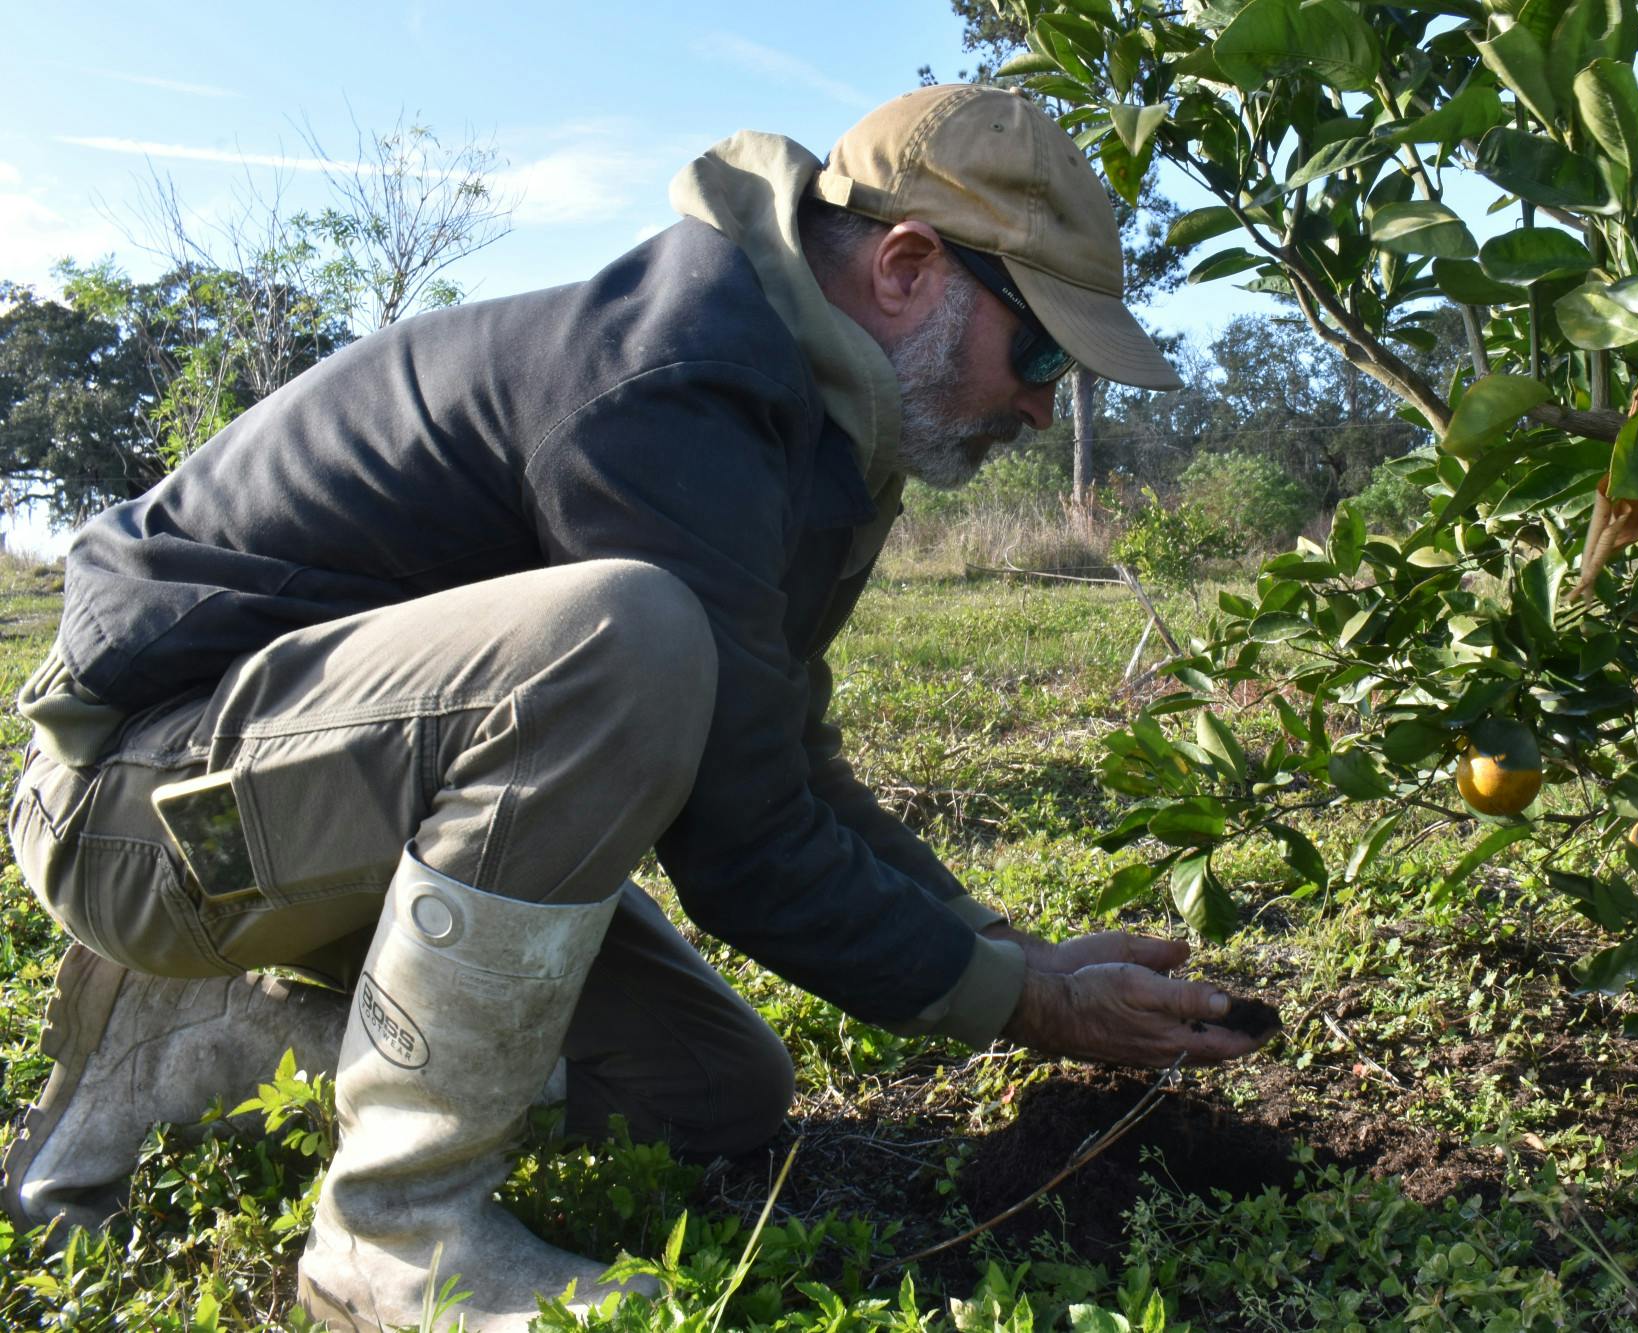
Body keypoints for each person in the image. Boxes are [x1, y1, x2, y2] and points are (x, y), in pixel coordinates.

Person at [1, 84, 1269, 1331]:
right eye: (1039, 350)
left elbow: (780, 755)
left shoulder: (807, 414)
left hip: (313, 805)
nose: (1044, 404)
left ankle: (198, 1041)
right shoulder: (671, 389)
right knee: (627, 632)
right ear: (904, 266)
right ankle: (393, 1235)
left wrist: (1005, 947)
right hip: (140, 811)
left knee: (708, 1086)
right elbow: (745, 839)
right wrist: (1028, 1007)